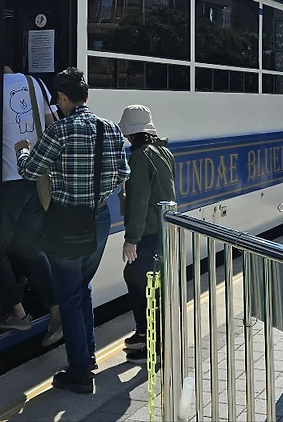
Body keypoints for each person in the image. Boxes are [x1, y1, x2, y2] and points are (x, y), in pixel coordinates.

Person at [16, 68, 129, 394]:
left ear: (64, 98)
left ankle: (80, 371)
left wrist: (23, 149)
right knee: (82, 288)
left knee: (69, 296)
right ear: (87, 96)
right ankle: (88, 357)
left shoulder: (59, 131)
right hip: (99, 219)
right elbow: (123, 172)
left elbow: (30, 171)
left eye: (58, 99)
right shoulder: (109, 129)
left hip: (67, 223)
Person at [0, 67, 62, 345]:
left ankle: (18, 313)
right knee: (29, 246)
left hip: (8, 181)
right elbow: (52, 125)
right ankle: (57, 313)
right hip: (34, 179)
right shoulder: (35, 83)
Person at [117, 105, 176, 365]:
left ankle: (151, 344)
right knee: (148, 282)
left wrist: (131, 239)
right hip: (162, 228)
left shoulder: (140, 158)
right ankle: (145, 335)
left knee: (139, 280)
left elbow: (139, 200)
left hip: (148, 231)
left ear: (131, 134)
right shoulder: (164, 152)